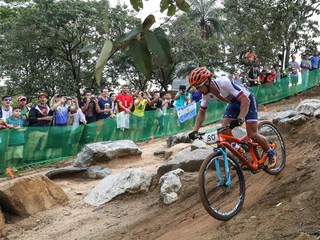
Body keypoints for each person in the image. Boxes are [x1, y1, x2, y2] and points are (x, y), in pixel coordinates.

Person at [187, 67, 276, 169]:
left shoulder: (224, 82)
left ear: (207, 81)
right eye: (196, 88)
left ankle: (270, 152)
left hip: (248, 100)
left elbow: (245, 100)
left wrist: (240, 118)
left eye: (199, 87)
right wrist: (195, 130)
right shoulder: (205, 94)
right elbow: (202, 112)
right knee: (225, 130)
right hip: (234, 103)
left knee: (252, 134)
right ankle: (241, 153)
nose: (198, 91)